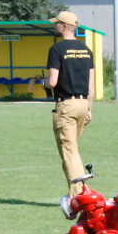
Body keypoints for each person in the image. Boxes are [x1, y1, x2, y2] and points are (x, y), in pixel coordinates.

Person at [46, 10, 95, 197]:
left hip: (66, 106)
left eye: (57, 23)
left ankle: (79, 197)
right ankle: (80, 192)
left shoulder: (56, 49)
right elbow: (91, 84)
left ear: (65, 26)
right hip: (83, 105)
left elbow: (52, 82)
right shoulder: (86, 50)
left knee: (70, 152)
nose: (54, 25)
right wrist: (89, 108)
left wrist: (40, 82)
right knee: (71, 151)